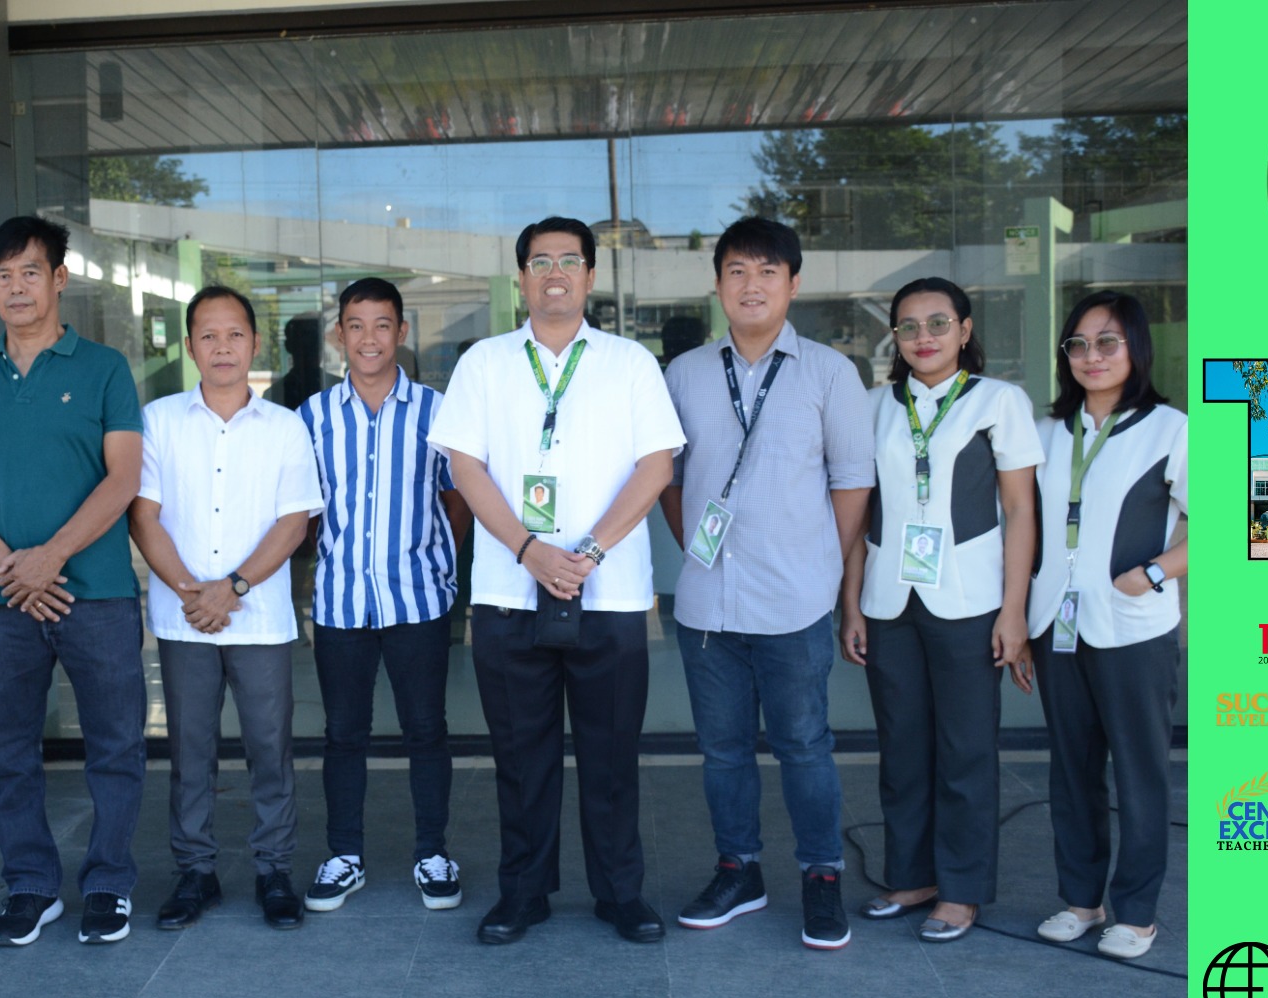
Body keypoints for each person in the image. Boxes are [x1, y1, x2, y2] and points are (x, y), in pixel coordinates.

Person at [429, 216, 684, 945]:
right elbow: (464, 466)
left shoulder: (630, 362)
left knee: (610, 759)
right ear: (521, 278)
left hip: (609, 593)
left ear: (591, 277)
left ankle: (620, 893)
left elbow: (656, 466)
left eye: (570, 261)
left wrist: (589, 552)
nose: (555, 273)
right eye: (539, 261)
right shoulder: (484, 361)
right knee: (521, 757)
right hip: (510, 595)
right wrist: (527, 549)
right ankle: (524, 891)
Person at [0, 215, 148, 947]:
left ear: (59, 278)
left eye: (30, 271)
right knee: (12, 751)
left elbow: (124, 479)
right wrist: (10, 566)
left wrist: (50, 556)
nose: (16, 287)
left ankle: (109, 884)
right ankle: (30, 884)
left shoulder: (105, 369)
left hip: (99, 594)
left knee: (116, 744)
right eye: (2, 274)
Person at [658, 217, 873, 950]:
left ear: (793, 284)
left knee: (804, 745)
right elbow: (670, 479)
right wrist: (696, 547)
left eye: (767, 272)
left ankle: (821, 876)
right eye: (737, 272)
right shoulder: (684, 373)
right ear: (718, 283)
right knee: (722, 752)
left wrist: (821, 562)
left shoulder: (829, 372)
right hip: (707, 606)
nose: (752, 286)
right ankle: (738, 869)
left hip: (796, 600)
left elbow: (851, 482)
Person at [838, 278, 1041, 943]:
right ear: (893, 338)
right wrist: (852, 605)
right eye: (908, 327)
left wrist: (1014, 612)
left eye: (936, 323)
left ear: (964, 328)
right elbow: (860, 511)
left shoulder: (998, 401)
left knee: (965, 749)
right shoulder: (873, 405)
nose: (923, 338)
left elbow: (1019, 511)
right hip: (889, 599)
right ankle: (912, 875)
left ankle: (960, 889)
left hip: (971, 600)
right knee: (901, 747)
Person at [130, 285, 324, 931]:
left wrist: (231, 588)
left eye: (234, 334)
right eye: (207, 336)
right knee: (190, 751)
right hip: (183, 619)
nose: (221, 347)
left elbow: (294, 522)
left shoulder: (286, 427)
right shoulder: (157, 420)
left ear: (255, 344)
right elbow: (144, 515)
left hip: (259, 620)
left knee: (271, 749)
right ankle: (196, 872)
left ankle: (274, 870)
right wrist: (193, 591)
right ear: (188, 346)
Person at [298, 277, 471, 915]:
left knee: (427, 730)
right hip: (342, 603)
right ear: (339, 334)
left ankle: (433, 853)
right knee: (343, 733)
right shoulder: (312, 418)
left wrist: (438, 568)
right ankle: (344, 855)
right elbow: (305, 514)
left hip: (418, 602)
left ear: (401, 332)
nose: (368, 338)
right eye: (355, 324)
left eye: (381, 325)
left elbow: (459, 502)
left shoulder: (437, 412)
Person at [1025, 290, 1187, 960]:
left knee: (1140, 773)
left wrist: (1153, 573)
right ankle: (1081, 901)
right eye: (1078, 344)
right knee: (1071, 770)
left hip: (1132, 627)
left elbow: (1243, 524)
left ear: (1135, 349)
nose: (1091, 356)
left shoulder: (1170, 428)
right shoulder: (1044, 433)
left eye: (1107, 342)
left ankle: (1137, 912)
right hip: (1055, 624)